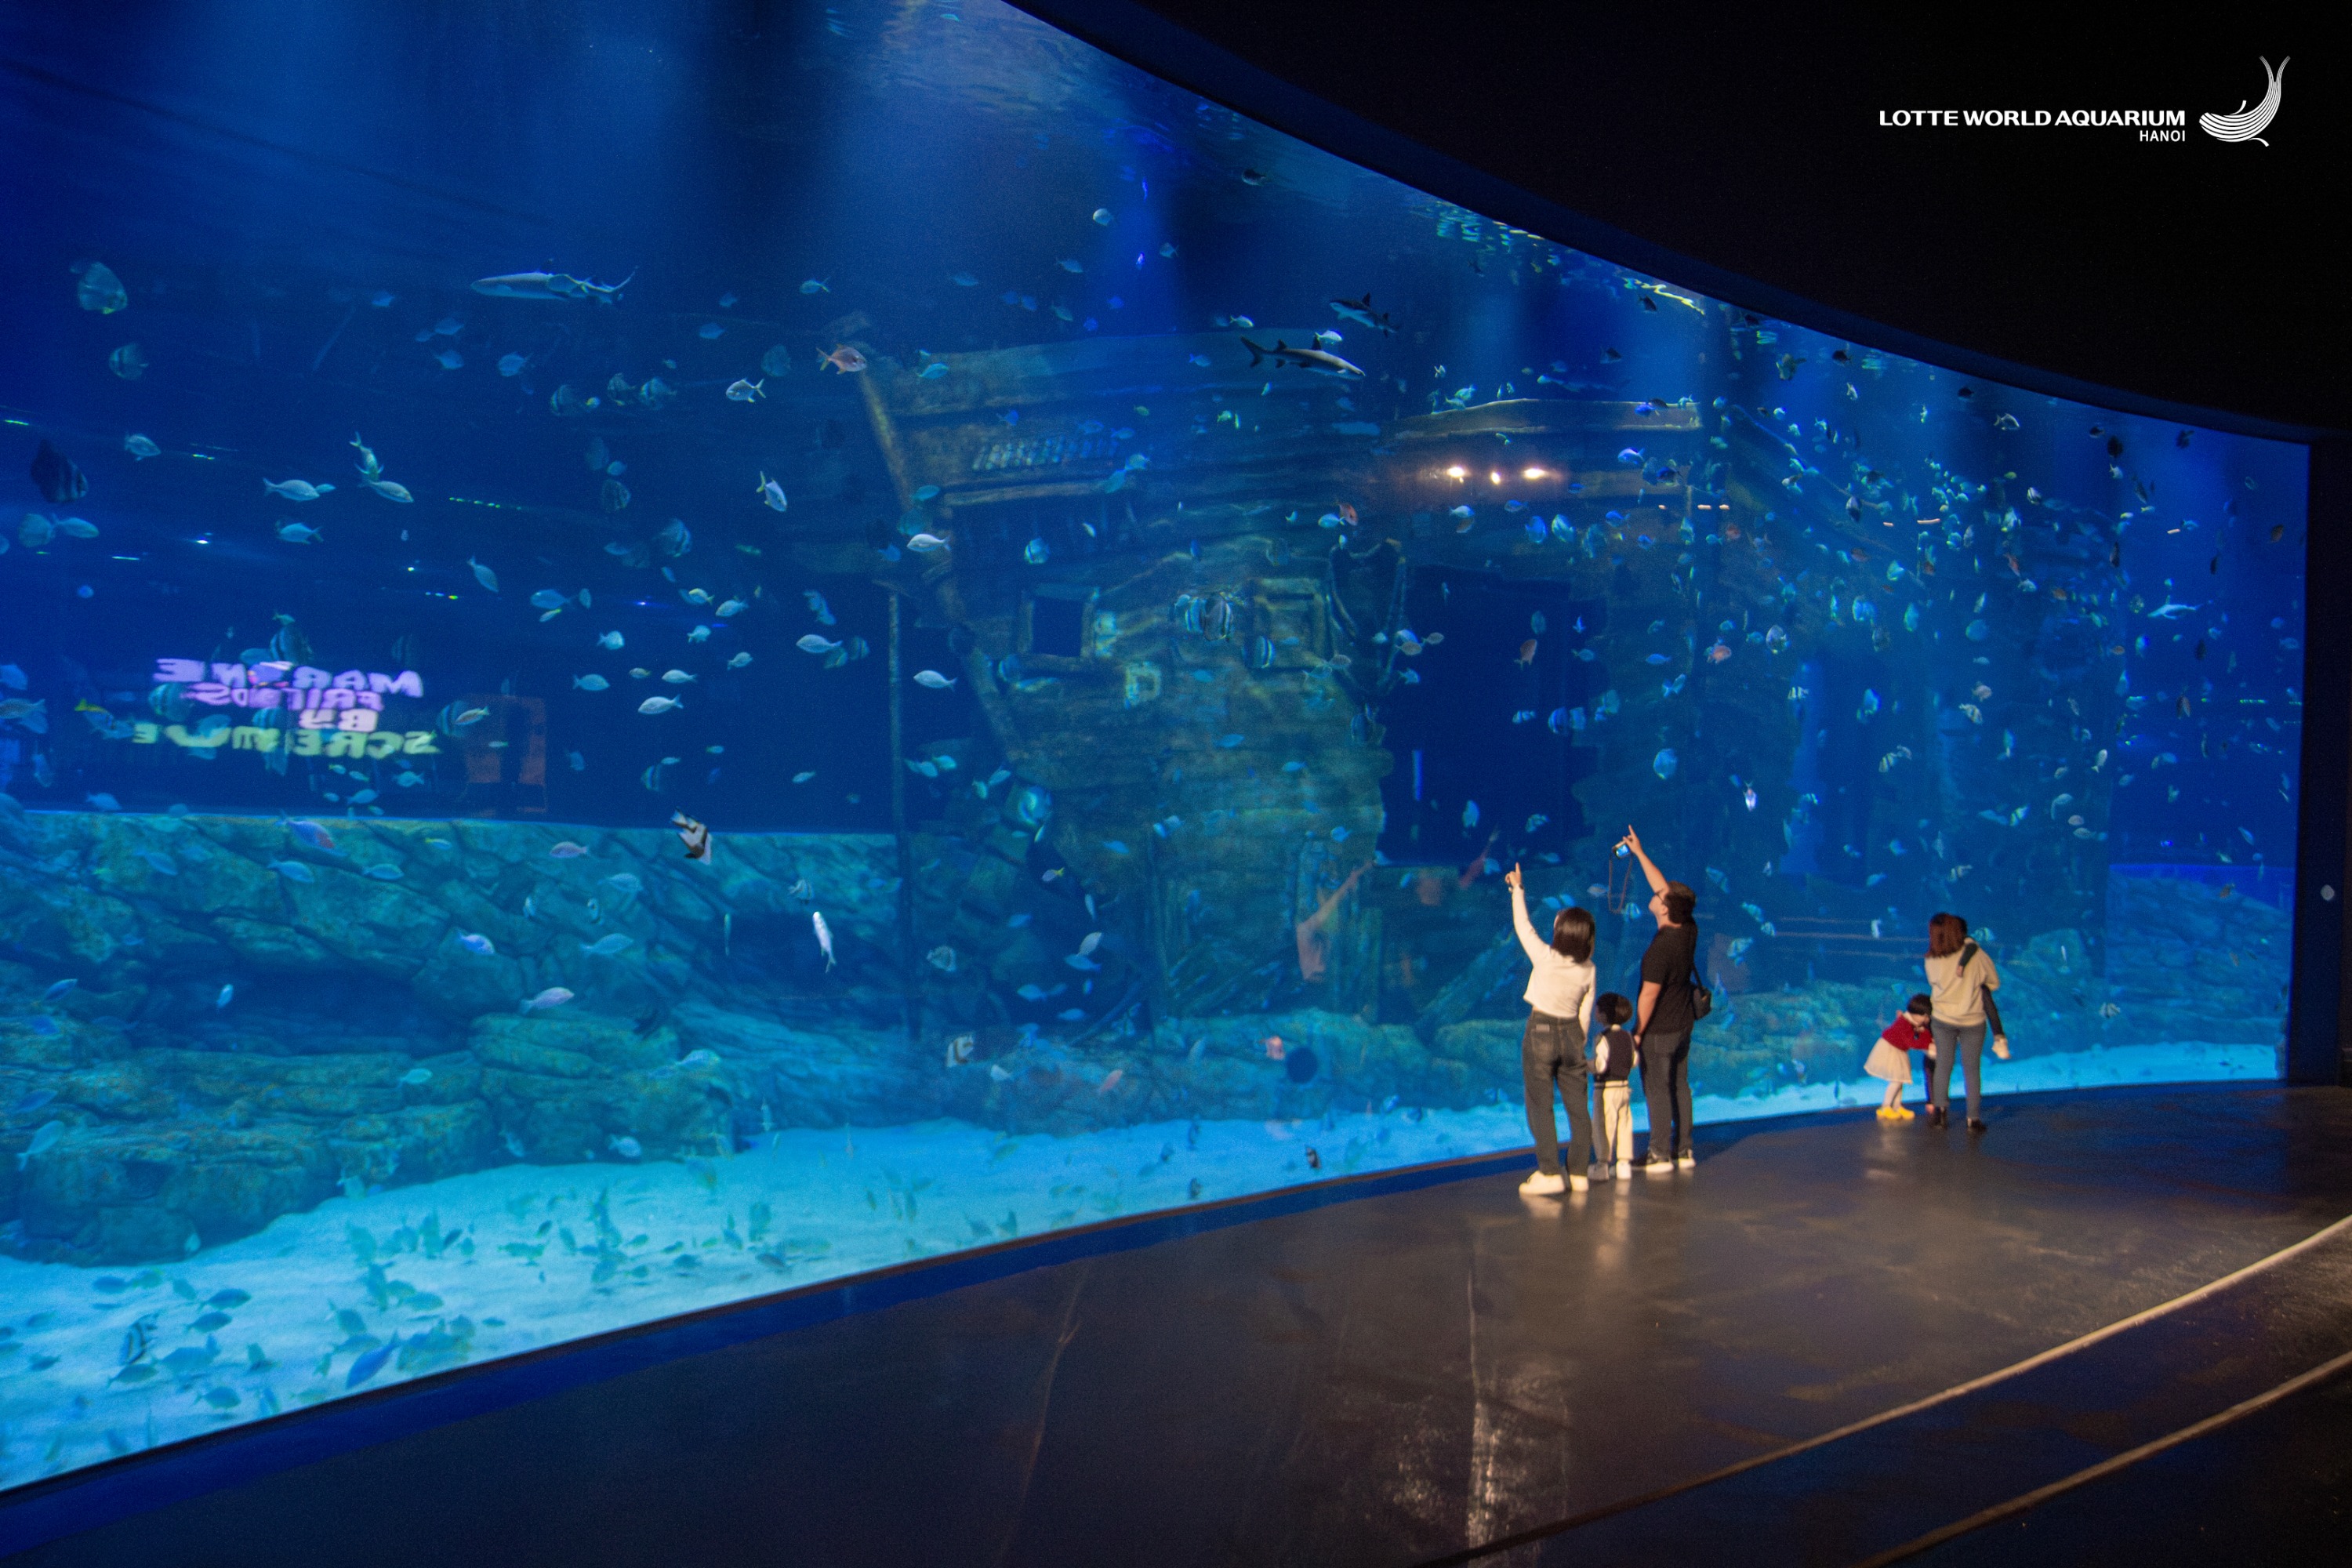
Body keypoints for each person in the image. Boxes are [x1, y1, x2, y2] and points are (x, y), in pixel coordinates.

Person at [1504, 863, 1597, 1195]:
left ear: (1561, 932)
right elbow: (1586, 1008)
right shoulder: (1588, 969)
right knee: (1577, 1106)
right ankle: (1580, 1173)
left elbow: (1523, 925)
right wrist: (1580, 1040)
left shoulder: (1545, 957)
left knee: (1540, 1102)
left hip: (1542, 1030)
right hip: (1573, 1034)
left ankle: (1549, 1172)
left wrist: (1518, 890)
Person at [1619, 826, 1700, 1172]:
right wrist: (1639, 853)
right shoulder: (1689, 929)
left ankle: (1658, 1154)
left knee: (1657, 1088)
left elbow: (1649, 994)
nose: (1656, 895)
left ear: (1665, 910)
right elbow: (1663, 887)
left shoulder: (1659, 949)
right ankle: (1684, 1151)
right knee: (1680, 1085)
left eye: (1661, 898)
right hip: (1684, 1023)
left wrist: (1638, 1031)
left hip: (1661, 1029)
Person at [1924, 913, 2009, 1131]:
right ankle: (1973, 1119)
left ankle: (1940, 1115)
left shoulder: (1931, 958)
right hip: (1972, 1020)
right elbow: (1994, 982)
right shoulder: (1976, 955)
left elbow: (1934, 982)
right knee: (1971, 1069)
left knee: (1943, 1066)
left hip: (1942, 1019)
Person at [1588, 992, 1638, 1178]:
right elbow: (1634, 1060)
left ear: (1602, 1014)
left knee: (1603, 1125)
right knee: (1624, 1124)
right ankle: (1624, 1164)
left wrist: (1586, 1064)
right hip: (1625, 1088)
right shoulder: (1627, 1036)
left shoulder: (1601, 1038)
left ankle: (1602, 1165)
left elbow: (1600, 1065)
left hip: (1606, 1090)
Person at [1865, 995, 1933, 1120]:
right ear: (1917, 1014)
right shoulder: (1904, 1022)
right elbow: (1911, 1042)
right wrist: (1927, 1043)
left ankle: (1897, 1106)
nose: (1925, 1020)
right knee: (1896, 1080)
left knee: (1900, 1079)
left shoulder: (1910, 1022)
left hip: (1899, 1050)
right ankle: (1885, 1107)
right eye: (1924, 1016)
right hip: (1891, 1050)